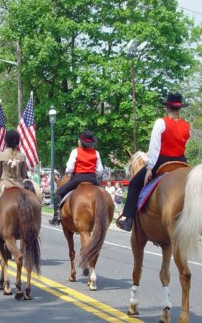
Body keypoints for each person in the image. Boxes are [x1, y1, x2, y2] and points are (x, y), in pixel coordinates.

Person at [117, 92, 190, 231]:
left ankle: (128, 220)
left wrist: (150, 168)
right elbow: (184, 144)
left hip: (162, 160)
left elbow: (154, 147)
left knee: (133, 184)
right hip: (181, 162)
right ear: (180, 109)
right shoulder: (187, 126)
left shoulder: (161, 123)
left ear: (167, 107)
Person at [49, 131, 104, 225]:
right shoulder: (96, 153)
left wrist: (69, 172)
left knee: (58, 193)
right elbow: (99, 171)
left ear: (81, 142)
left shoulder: (75, 151)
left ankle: (56, 216)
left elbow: (69, 168)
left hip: (78, 178)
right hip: (92, 179)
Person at [0, 130, 28, 238]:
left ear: (6, 142)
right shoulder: (22, 156)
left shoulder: (2, 155)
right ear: (17, 142)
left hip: (4, 186)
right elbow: (23, 174)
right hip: (20, 186)